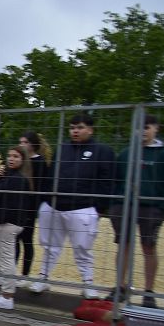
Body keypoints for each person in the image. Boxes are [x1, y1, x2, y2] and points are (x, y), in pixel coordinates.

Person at [30, 113, 115, 298]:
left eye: (80, 127)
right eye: (72, 127)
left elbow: (107, 181)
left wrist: (99, 208)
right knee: (50, 246)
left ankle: (88, 284)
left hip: (82, 208)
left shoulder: (103, 151)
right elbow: (51, 175)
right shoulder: (62, 149)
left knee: (82, 249)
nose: (75, 131)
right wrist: (45, 201)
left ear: (90, 130)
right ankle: (43, 279)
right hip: (54, 206)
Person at [109, 114, 164, 308]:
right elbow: (116, 180)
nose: (143, 131)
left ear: (156, 128)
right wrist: (115, 201)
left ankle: (148, 291)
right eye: (139, 128)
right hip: (124, 205)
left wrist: (163, 208)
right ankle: (120, 287)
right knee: (123, 245)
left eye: (147, 127)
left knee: (149, 247)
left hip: (151, 207)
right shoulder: (125, 153)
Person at [0, 146, 37, 310]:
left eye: (16, 156)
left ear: (23, 160)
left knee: (7, 258)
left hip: (8, 223)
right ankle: (4, 289)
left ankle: (7, 296)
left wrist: (1, 219)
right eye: (10, 156)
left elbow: (11, 203)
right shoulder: (11, 176)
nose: (11, 159)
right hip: (4, 222)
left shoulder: (18, 179)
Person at [15, 131, 51, 286]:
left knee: (26, 240)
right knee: (14, 239)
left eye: (25, 142)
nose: (22, 145)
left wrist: (35, 207)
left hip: (30, 207)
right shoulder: (20, 160)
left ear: (33, 144)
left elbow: (40, 187)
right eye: (20, 142)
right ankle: (11, 272)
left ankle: (25, 275)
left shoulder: (40, 162)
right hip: (17, 205)